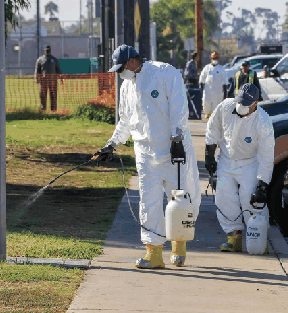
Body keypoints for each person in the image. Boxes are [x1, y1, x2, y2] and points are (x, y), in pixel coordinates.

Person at [92, 45, 201, 269]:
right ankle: (154, 253)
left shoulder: (165, 73)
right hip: (145, 154)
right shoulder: (126, 87)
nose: (121, 73)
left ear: (132, 61)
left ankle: (179, 244)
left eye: (121, 68)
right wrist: (111, 145)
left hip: (173, 151)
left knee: (180, 198)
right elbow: (125, 121)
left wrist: (177, 139)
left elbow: (179, 108)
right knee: (148, 203)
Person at [205, 83, 275, 252]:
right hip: (226, 160)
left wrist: (262, 184)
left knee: (250, 200)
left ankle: (259, 239)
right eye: (240, 102)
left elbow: (266, 156)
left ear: (255, 104)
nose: (241, 107)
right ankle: (233, 237)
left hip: (250, 163)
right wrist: (209, 154)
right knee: (223, 197)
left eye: (246, 105)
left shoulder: (263, 122)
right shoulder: (226, 107)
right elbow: (213, 130)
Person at [34, 45, 64, 111]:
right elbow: (37, 70)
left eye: (48, 50)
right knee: (43, 95)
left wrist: (62, 78)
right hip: (43, 80)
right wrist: (36, 78)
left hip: (53, 80)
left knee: (53, 94)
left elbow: (58, 70)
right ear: (44, 50)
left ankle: (53, 109)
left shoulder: (54, 59)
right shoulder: (40, 59)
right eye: (46, 50)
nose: (47, 51)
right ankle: (43, 109)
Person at [199, 51, 227, 118]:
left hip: (218, 89)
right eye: (214, 59)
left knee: (217, 102)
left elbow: (225, 79)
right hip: (208, 88)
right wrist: (201, 85)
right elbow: (202, 77)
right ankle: (207, 113)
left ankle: (215, 115)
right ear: (211, 59)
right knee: (206, 101)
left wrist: (225, 89)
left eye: (216, 59)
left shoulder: (221, 68)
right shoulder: (207, 67)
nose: (215, 60)